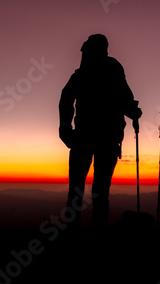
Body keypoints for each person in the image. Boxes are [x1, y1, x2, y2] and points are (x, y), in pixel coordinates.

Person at [59, 34, 142, 230]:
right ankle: (99, 235)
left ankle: (72, 233)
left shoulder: (81, 75)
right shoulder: (113, 69)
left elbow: (65, 99)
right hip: (108, 139)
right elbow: (125, 99)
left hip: (83, 138)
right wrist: (133, 112)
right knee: (101, 191)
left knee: (76, 189)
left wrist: (65, 130)